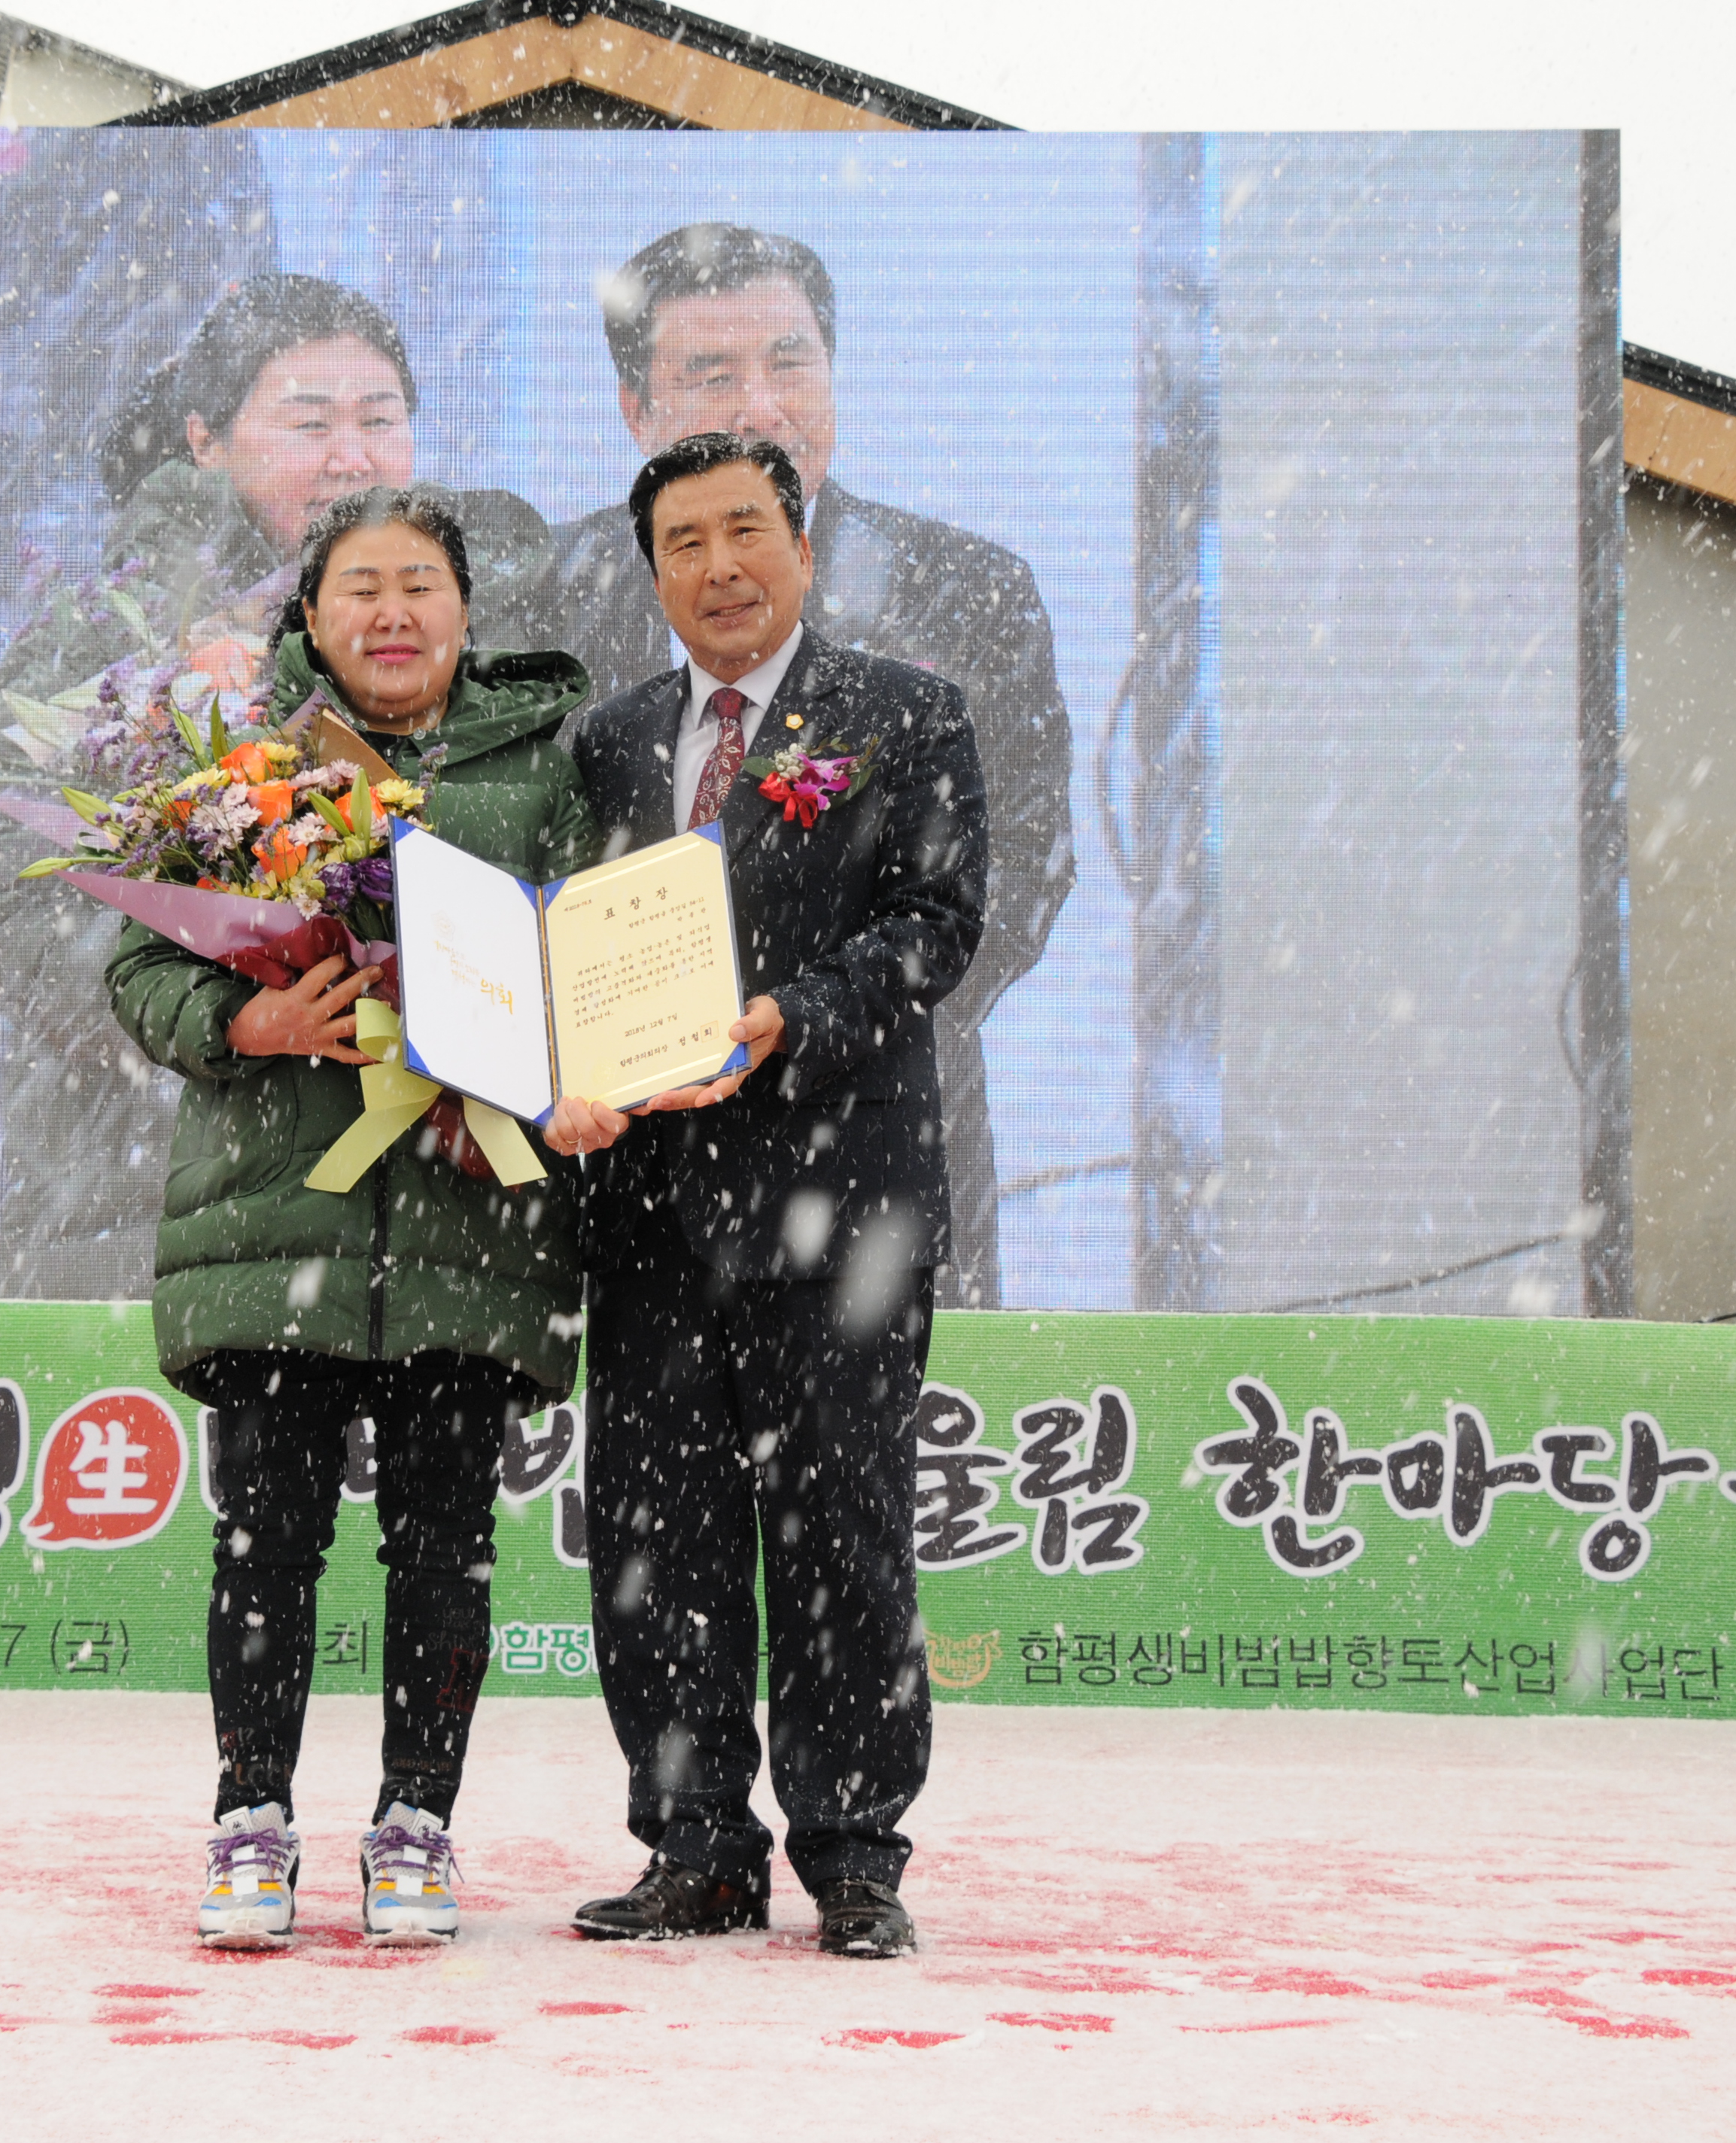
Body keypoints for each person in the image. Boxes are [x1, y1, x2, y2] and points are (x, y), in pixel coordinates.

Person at [105, 485, 599, 1950]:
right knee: (266, 1536)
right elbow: (140, 970)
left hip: (467, 1217)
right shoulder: (237, 769)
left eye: (420, 587)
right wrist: (246, 1015)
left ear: (464, 613)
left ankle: (414, 1824)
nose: (391, 612)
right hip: (279, 1221)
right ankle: (248, 1813)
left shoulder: (543, 775)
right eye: (360, 587)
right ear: (310, 618)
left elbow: (586, 964)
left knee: (444, 1543)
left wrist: (525, 1037)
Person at [544, 433, 987, 1961]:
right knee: (654, 1538)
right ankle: (694, 1846)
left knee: (838, 1531)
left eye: (744, 529)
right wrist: (557, 1070)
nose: (718, 566)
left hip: (837, 1195)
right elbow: (565, 950)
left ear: (799, 543)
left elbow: (937, 922)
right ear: (650, 568)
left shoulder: (903, 713)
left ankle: (854, 1854)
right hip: (651, 1210)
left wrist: (793, 1011)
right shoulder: (603, 746)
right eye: (683, 541)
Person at [0, 275, 549, 1299]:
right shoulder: (108, 634)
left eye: (380, 419)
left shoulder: (497, 620)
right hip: (144, 1200)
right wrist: (217, 1009)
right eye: (309, 423)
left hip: (432, 1208)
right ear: (205, 440)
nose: (351, 455)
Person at [541, 222, 1070, 1309]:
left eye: (790, 362)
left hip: (871, 1144)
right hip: (630, 1159)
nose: (761, 403)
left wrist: (824, 1020)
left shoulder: (963, 591)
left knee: (869, 1479)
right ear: (635, 410)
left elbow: (1018, 868)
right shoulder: (559, 589)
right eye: (711, 372)